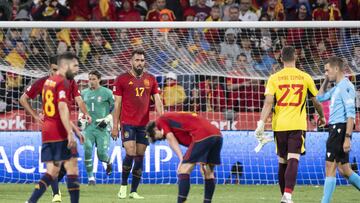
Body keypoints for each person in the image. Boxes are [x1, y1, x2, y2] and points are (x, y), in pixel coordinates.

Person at [255, 46, 326, 203]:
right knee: (293, 159)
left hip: (279, 125)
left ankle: (285, 196)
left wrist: (261, 122)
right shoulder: (305, 77)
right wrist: (321, 116)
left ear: (281, 59)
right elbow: (316, 101)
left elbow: (268, 103)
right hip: (297, 124)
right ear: (296, 57)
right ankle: (287, 195)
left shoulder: (274, 78)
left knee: (282, 161)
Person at [20, 54, 88, 202]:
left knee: (52, 171)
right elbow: (62, 108)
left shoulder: (48, 82)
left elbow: (56, 111)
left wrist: (76, 130)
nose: (76, 69)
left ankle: (30, 201)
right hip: (59, 130)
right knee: (72, 168)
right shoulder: (61, 82)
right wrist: (71, 133)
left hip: (47, 129)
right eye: (74, 66)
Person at [111, 49, 163, 199]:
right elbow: (117, 105)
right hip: (127, 123)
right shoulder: (121, 79)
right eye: (137, 60)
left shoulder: (151, 79)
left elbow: (158, 102)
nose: (139, 63)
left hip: (144, 125)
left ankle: (134, 191)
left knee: (140, 156)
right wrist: (115, 126)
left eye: (142, 60)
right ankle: (123, 186)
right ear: (131, 61)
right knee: (130, 153)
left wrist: (163, 121)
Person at [145, 112, 223, 203]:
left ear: (154, 129)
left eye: (154, 136)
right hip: (217, 135)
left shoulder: (160, 120)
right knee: (208, 171)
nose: (157, 139)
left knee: (183, 170)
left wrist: (181, 159)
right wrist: (201, 157)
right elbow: (194, 145)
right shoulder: (177, 126)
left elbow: (170, 138)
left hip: (202, 135)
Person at [317, 57, 360, 203]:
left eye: (327, 70)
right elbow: (320, 97)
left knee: (330, 166)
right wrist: (326, 79)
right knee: (345, 170)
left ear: (336, 69)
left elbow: (351, 115)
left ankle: (325, 201)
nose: (326, 73)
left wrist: (347, 137)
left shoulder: (346, 86)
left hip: (340, 129)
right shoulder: (336, 87)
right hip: (335, 129)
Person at [80, 70, 114, 185]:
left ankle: (108, 162)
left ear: (99, 79)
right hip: (89, 128)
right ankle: (91, 178)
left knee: (102, 154)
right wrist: (81, 118)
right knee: (87, 149)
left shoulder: (107, 92)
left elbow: (117, 107)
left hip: (102, 128)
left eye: (94, 79)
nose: (91, 81)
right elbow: (81, 108)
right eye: (90, 79)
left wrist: (108, 118)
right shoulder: (84, 93)